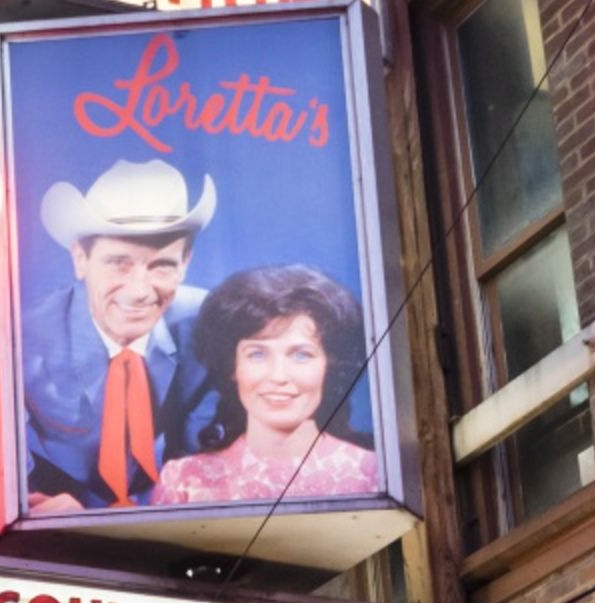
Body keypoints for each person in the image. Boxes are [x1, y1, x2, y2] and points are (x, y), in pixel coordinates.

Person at [20, 158, 220, 511]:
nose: (139, 291)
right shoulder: (22, 342)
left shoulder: (209, 328)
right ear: (81, 259)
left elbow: (205, 453)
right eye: (119, 263)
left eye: (162, 265)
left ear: (185, 262)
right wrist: (31, 502)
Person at [153, 267, 381, 507]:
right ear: (232, 366)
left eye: (301, 355)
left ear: (330, 366)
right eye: (257, 354)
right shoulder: (184, 481)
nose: (278, 376)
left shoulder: (372, 474)